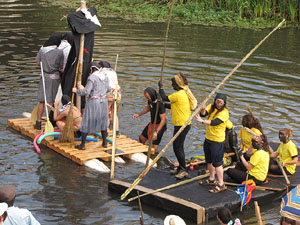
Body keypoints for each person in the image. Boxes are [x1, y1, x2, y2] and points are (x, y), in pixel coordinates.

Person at [158, 72, 197, 179]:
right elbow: (174, 106)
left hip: (182, 125)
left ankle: (183, 170)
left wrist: (160, 88)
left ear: (177, 84)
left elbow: (165, 97)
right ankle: (181, 167)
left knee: (177, 147)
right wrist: (162, 104)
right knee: (178, 147)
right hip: (182, 124)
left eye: (173, 84)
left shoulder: (179, 94)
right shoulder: (182, 94)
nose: (172, 86)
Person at [72, 62, 111, 149]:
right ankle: (105, 143)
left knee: (86, 121)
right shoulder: (105, 76)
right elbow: (109, 89)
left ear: (91, 69)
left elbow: (86, 92)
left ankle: (82, 145)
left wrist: (77, 91)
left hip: (93, 102)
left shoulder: (92, 78)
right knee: (103, 121)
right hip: (103, 101)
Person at [196, 93, 229, 193]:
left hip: (217, 141)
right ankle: (211, 179)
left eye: (221, 102)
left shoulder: (225, 113)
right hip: (208, 138)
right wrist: (202, 109)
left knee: (217, 163)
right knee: (209, 161)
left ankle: (221, 184)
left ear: (224, 103)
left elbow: (214, 122)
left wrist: (202, 121)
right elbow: (204, 114)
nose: (219, 104)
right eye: (217, 101)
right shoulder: (212, 106)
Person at [34, 34, 64, 130]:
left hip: (44, 78)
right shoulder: (59, 52)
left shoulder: (42, 50)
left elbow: (38, 63)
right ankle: (52, 121)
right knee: (53, 101)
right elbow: (61, 66)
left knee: (42, 101)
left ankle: (38, 122)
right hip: (55, 79)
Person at [99, 61, 121, 137]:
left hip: (109, 93)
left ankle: (106, 132)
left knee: (106, 113)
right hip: (117, 93)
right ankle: (117, 132)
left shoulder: (101, 71)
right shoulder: (113, 72)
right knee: (114, 113)